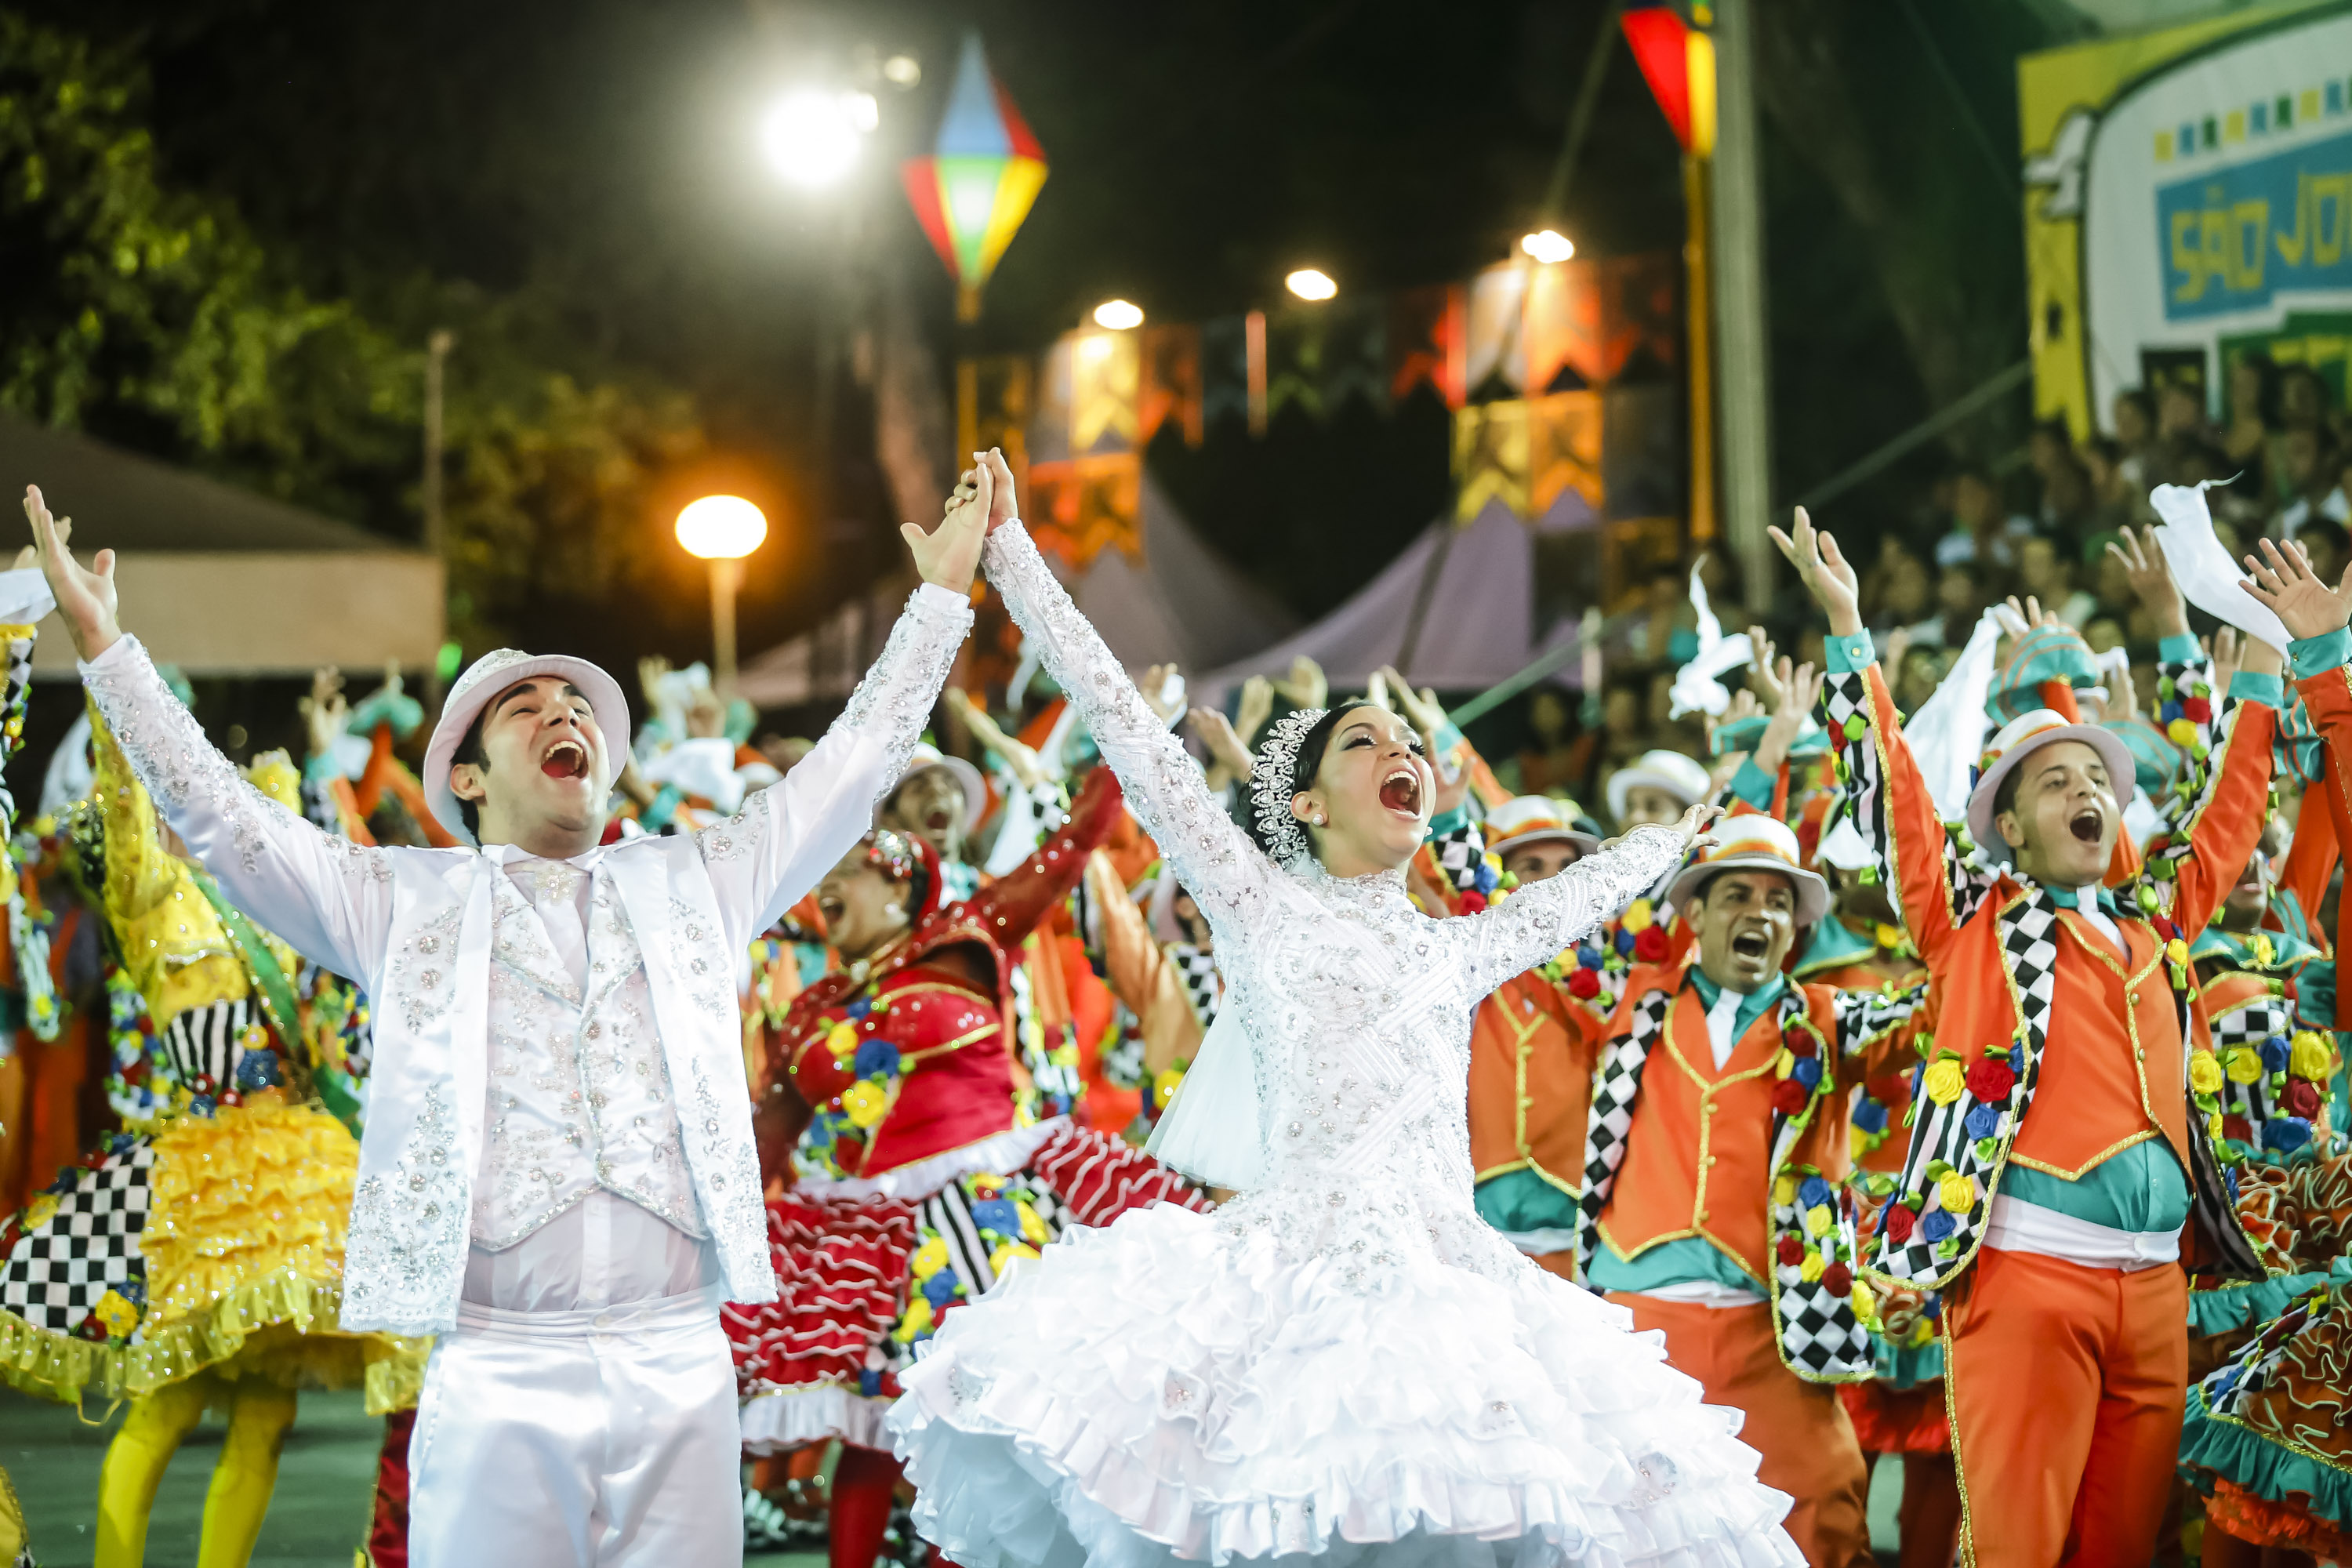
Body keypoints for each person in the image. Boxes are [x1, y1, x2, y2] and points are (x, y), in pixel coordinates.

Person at [22, 469, 986, 1568]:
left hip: (681, 1361)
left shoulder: (698, 879)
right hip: (497, 1366)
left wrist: (940, 600)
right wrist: (107, 650)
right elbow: (225, 821)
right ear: (470, 782)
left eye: (577, 708)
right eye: (527, 711)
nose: (563, 715)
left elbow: (851, 767)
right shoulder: (401, 902)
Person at [885, 450, 1803, 1568]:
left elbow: (1590, 888)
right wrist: (1014, 555)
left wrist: (1702, 819)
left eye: (1408, 742)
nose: (1400, 749)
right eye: (1364, 742)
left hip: (1453, 1294)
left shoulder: (1460, 946)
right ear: (1311, 806)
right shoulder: (1259, 903)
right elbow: (1122, 719)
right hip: (1289, 1288)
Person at [1780, 504, 2309, 1566]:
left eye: (2097, 781)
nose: (2087, 792)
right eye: (2056, 782)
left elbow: (2231, 812)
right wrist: (1847, 633)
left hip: (2156, 1290)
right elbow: (1894, 800)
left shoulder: (2157, 919)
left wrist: (2262, 651)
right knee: (2018, 1549)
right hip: (2028, 1277)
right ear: (2011, 829)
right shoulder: (1973, 921)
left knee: (2121, 1553)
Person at [730, 768, 1203, 1568]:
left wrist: (1122, 743)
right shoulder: (810, 1011)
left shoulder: (963, 938)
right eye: (819, 878)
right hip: (873, 1238)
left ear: (899, 881)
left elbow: (1069, 848)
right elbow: (760, 1144)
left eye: (844, 870)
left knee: (1017, 1407)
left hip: (997, 1213)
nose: (824, 889)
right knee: (876, 1429)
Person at [1577, 813, 1923, 1567]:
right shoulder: (1633, 1000)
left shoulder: (1829, 1020)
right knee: (1622, 1522)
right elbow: (1521, 929)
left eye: (1778, 901)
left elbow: (1940, 1009)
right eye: (1738, 895)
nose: (1760, 913)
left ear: (1795, 929)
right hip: (1641, 1329)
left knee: (1824, 1508)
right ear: (1695, 913)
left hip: (1772, 1329)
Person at [1462, 796, 1602, 1279]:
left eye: (1566, 867)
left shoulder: (1607, 978)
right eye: (1532, 867)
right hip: (1476, 1225)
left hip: (1577, 1229)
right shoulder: (1468, 968)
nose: (1553, 882)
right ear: (1497, 881)